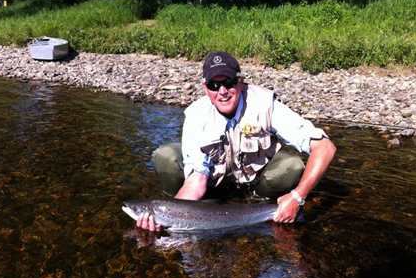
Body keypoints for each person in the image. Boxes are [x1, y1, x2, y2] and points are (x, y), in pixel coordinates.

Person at [138, 52, 336, 231]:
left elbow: (325, 147)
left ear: (240, 82)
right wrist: (167, 218)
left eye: (229, 82)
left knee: (292, 165)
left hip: (256, 182)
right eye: (214, 85)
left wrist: (298, 197)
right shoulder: (196, 116)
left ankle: (269, 205)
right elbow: (196, 179)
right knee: (166, 156)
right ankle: (203, 205)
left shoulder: (265, 104)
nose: (222, 91)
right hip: (214, 184)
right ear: (206, 88)